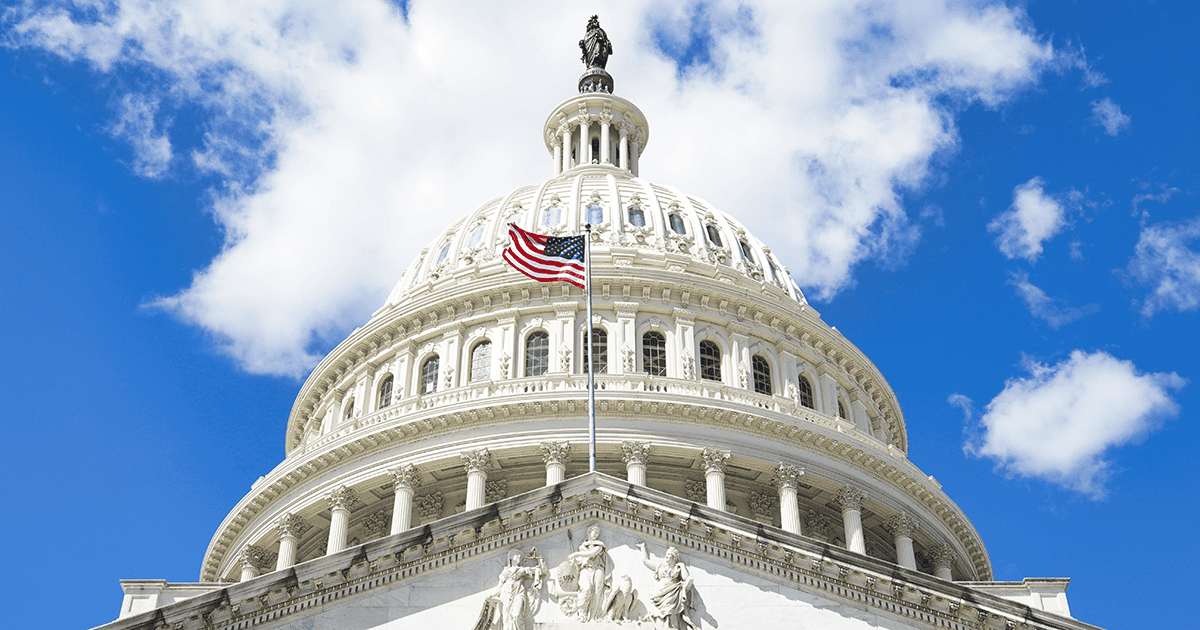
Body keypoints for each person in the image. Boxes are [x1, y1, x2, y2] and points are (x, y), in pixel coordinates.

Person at [638, 543, 697, 630]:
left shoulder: (677, 568)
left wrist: (682, 566)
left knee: (671, 614)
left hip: (672, 594)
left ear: (674, 558)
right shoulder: (660, 566)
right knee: (659, 617)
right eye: (666, 554)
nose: (666, 556)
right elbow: (646, 561)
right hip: (659, 594)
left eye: (669, 554)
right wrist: (643, 547)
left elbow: (685, 578)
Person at [493, 549, 546, 630]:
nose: (519, 557)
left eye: (520, 556)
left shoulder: (522, 570)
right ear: (511, 557)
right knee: (507, 619)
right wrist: (492, 595)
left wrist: (540, 561)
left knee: (516, 615)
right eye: (517, 555)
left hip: (519, 593)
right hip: (507, 595)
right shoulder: (506, 572)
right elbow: (499, 586)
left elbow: (536, 570)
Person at [566, 524, 609, 620]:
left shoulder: (599, 545)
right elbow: (581, 560)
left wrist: (575, 554)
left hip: (598, 569)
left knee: (597, 591)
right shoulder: (582, 547)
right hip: (585, 569)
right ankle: (582, 614)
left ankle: (594, 616)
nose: (596, 534)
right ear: (589, 532)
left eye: (598, 533)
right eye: (595, 532)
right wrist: (574, 561)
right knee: (586, 588)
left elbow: (592, 554)